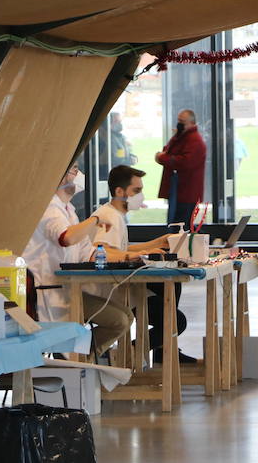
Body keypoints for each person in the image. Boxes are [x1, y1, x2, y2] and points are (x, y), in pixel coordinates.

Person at [21, 165, 131, 357]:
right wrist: (95, 220)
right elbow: (66, 238)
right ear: (62, 177)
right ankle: (80, 356)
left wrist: (133, 256)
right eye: (74, 170)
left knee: (127, 316)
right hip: (49, 294)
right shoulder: (48, 208)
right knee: (118, 321)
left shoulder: (69, 211)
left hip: (68, 290)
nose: (79, 175)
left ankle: (82, 355)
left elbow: (89, 253)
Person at [91, 165, 179, 364]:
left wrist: (159, 242)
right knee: (173, 319)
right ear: (119, 192)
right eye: (136, 191)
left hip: (121, 290)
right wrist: (141, 254)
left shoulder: (115, 215)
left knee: (172, 299)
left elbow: (123, 249)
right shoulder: (108, 216)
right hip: (108, 293)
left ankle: (137, 351)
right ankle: (129, 352)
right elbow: (101, 250)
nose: (141, 196)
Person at [155, 108, 207, 227]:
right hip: (178, 190)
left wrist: (162, 157)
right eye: (179, 120)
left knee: (182, 225)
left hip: (186, 192)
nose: (179, 124)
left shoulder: (194, 140)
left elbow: (184, 162)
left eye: (182, 121)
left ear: (191, 123)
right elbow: (168, 151)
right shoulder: (182, 137)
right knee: (177, 223)